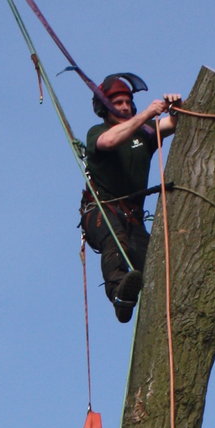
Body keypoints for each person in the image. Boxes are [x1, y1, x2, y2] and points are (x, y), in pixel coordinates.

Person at [80, 73, 182, 321]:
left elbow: (175, 124)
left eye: (127, 102)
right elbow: (109, 141)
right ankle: (119, 294)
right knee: (115, 240)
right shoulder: (98, 132)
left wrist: (176, 107)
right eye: (118, 103)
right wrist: (146, 114)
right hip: (101, 212)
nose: (125, 106)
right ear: (104, 107)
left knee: (154, 263)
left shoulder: (145, 133)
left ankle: (164, 309)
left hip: (133, 218)